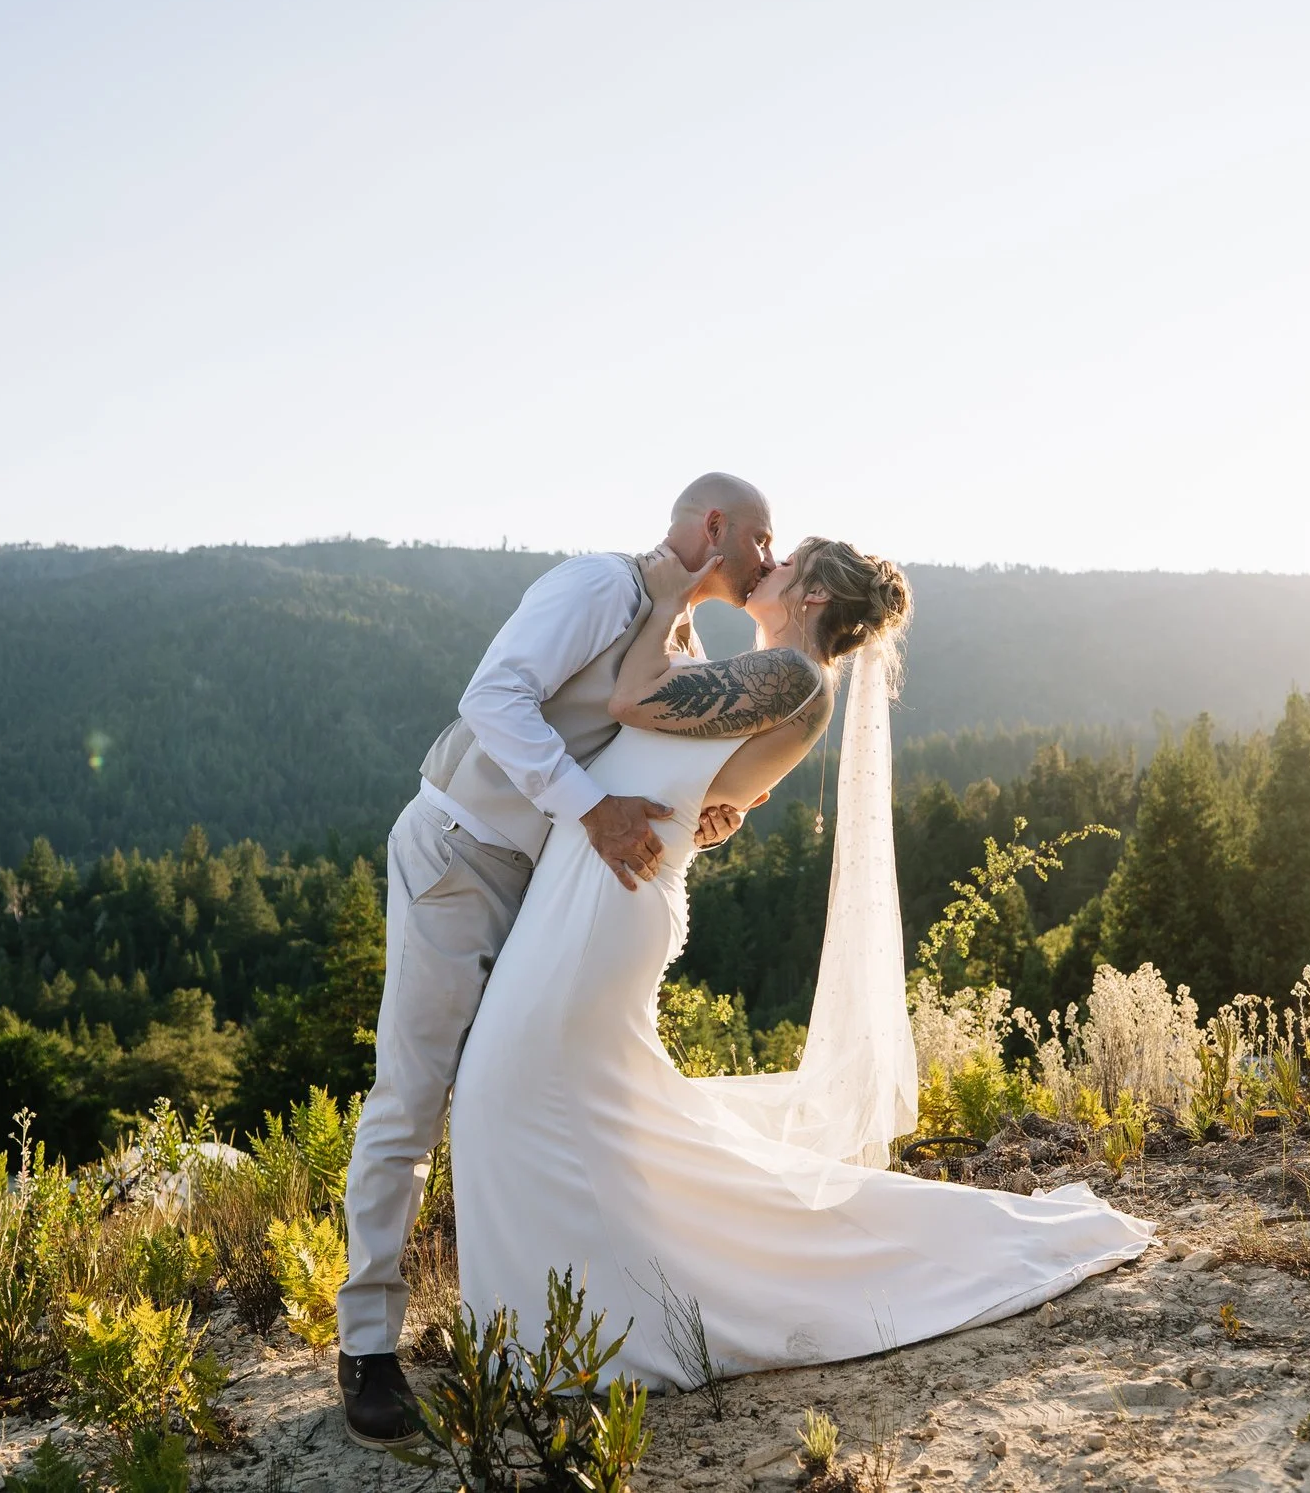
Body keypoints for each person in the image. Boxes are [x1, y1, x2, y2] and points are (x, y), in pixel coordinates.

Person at [450, 540, 1155, 1392]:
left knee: (508, 1090)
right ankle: (591, 1309)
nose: (770, 563)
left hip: (604, 906)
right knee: (563, 1107)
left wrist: (672, 588)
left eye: (788, 560)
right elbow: (702, 797)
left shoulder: (794, 678)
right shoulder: (772, 675)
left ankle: (581, 1325)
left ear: (813, 591)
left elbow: (630, 698)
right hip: (601, 888)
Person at [335, 473, 778, 1448]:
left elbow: (639, 764)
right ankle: (366, 1342)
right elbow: (492, 698)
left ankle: (530, 1314)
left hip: (552, 888)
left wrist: (704, 812)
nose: (768, 559)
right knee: (411, 1094)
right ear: (715, 527)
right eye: (759, 537)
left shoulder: (684, 640)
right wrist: (589, 808)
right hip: (458, 855)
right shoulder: (597, 588)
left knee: (527, 1090)